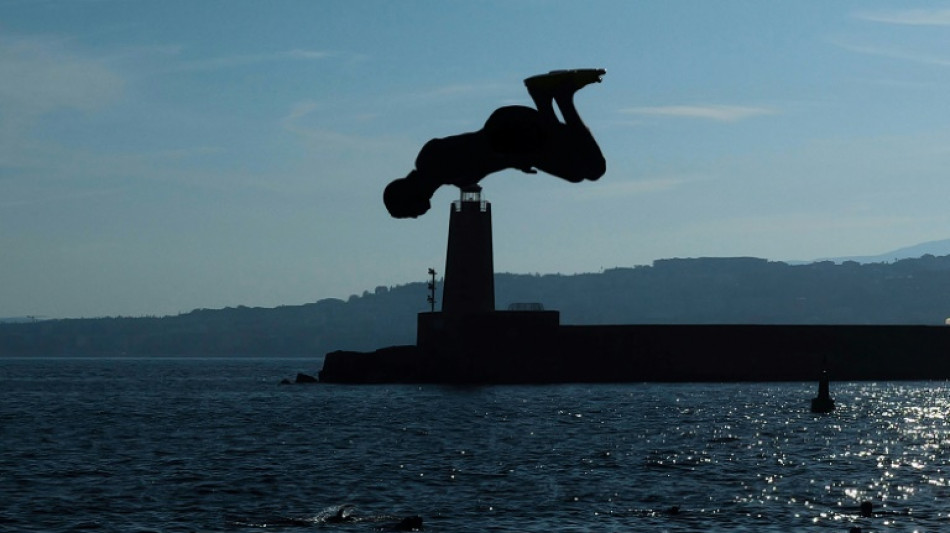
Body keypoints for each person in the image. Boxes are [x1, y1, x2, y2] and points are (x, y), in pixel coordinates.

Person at [384, 69, 607, 218]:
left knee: (591, 167)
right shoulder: (440, 172)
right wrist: (517, 162)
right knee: (581, 169)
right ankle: (551, 96)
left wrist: (516, 159)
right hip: (516, 138)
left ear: (408, 197)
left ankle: (557, 95)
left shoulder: (436, 165)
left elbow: (484, 150)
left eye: (408, 212)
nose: (415, 215)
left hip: (514, 132)